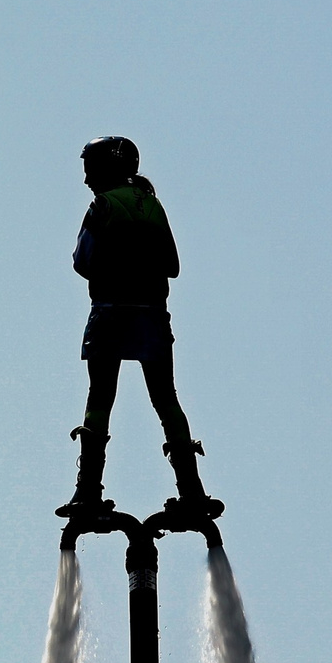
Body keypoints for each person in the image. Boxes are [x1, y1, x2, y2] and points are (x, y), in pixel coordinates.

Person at [56, 136, 224, 523]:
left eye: (89, 169)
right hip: (152, 315)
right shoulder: (153, 206)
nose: (85, 180)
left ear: (104, 169)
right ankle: (192, 492)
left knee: (100, 397)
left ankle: (87, 491)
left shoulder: (101, 206)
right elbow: (172, 265)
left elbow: (82, 262)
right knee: (166, 399)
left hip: (110, 313)